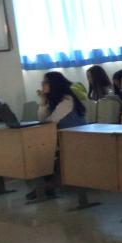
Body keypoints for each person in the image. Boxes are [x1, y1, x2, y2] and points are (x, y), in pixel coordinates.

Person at [30, 72, 88, 200]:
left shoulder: (67, 100)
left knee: (51, 153)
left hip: (77, 138)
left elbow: (51, 120)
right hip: (63, 138)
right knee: (42, 152)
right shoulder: (54, 100)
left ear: (54, 84)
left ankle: (47, 187)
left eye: (45, 82)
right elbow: (42, 119)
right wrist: (43, 101)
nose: (42, 85)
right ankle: (46, 187)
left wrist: (44, 102)